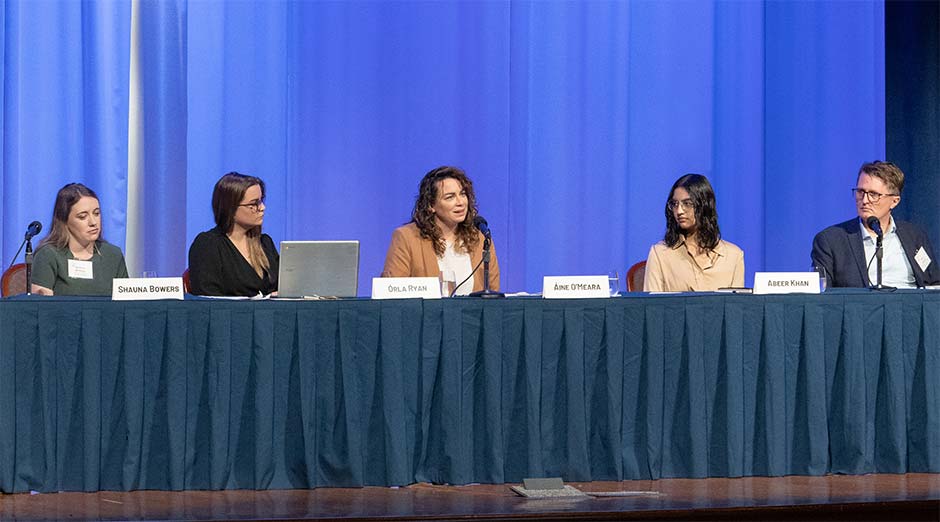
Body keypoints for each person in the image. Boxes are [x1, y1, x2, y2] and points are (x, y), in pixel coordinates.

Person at [811, 161, 939, 288]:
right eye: (860, 192)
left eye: (874, 194)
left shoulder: (914, 236)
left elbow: (934, 284)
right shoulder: (830, 240)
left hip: (910, 307)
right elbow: (822, 298)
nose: (865, 200)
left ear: (894, 201)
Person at [382, 166, 499, 295]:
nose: (460, 202)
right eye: (450, 197)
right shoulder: (407, 238)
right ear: (431, 205)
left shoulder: (480, 238)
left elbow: (493, 295)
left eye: (463, 194)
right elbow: (391, 296)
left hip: (471, 315)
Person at [643, 173, 744, 292]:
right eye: (675, 204)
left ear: (705, 206)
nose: (679, 211)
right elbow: (652, 307)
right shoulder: (659, 254)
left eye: (687, 204)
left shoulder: (733, 256)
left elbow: (736, 308)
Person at [188, 172, 279, 296]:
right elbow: (208, 300)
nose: (262, 207)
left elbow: (283, 286)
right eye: (254, 204)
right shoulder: (208, 245)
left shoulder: (265, 243)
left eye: (262, 200)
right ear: (230, 208)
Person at [31, 183, 129, 295]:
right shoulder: (48, 254)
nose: (93, 222)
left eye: (96, 213)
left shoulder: (113, 255)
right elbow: (42, 308)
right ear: (64, 220)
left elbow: (126, 305)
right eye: (83, 217)